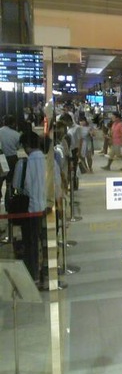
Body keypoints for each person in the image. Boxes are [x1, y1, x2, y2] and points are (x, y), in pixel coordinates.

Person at [13, 131, 46, 283]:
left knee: (30, 242)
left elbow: (17, 186)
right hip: (46, 209)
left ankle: (33, 275)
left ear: (26, 146)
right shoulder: (49, 161)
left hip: (29, 210)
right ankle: (45, 273)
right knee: (44, 241)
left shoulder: (23, 164)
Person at [0, 114, 21, 206]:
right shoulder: (16, 134)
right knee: (10, 183)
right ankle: (8, 203)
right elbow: (18, 147)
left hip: (0, 158)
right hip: (12, 159)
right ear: (13, 123)